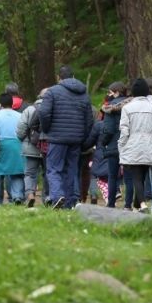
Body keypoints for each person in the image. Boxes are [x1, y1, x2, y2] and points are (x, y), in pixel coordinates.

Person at [39, 65, 94, 209]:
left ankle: (57, 196)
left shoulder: (52, 92)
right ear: (73, 76)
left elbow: (43, 113)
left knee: (53, 168)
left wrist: (47, 129)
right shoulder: (84, 94)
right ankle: (71, 201)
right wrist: (83, 137)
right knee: (72, 170)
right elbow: (89, 120)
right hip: (76, 139)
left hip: (57, 138)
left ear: (59, 77)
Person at [118, 79, 152, 213]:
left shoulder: (127, 108)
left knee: (137, 177)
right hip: (150, 145)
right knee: (143, 176)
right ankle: (137, 206)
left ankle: (143, 204)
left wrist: (121, 147)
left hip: (133, 144)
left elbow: (124, 131)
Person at [0, 93, 25, 205]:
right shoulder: (19, 115)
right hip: (17, 145)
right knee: (17, 172)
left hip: (0, 146)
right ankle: (17, 196)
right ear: (12, 103)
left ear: (0, 104)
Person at [17, 88, 49, 207]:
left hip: (31, 146)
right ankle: (48, 197)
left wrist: (24, 140)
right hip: (48, 146)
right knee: (48, 172)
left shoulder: (29, 109)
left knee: (30, 173)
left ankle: (30, 194)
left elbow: (21, 129)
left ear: (39, 96)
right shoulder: (54, 109)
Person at [99, 82, 129, 208]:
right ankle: (128, 204)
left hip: (113, 145)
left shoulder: (110, 107)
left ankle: (111, 203)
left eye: (110, 92)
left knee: (112, 176)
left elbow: (108, 129)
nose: (108, 95)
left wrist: (103, 141)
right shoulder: (131, 105)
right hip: (128, 144)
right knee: (129, 177)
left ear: (116, 92)